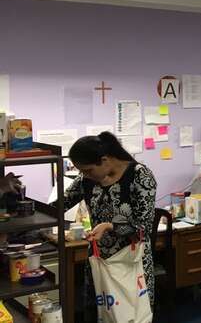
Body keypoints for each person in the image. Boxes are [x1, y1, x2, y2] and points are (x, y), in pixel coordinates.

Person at [63, 132, 157, 319]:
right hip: (100, 261)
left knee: (133, 315)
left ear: (104, 160)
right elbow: (61, 204)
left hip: (131, 262)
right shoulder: (87, 179)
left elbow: (144, 226)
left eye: (88, 170)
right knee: (101, 313)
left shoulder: (139, 175)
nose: (85, 175)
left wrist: (109, 226)